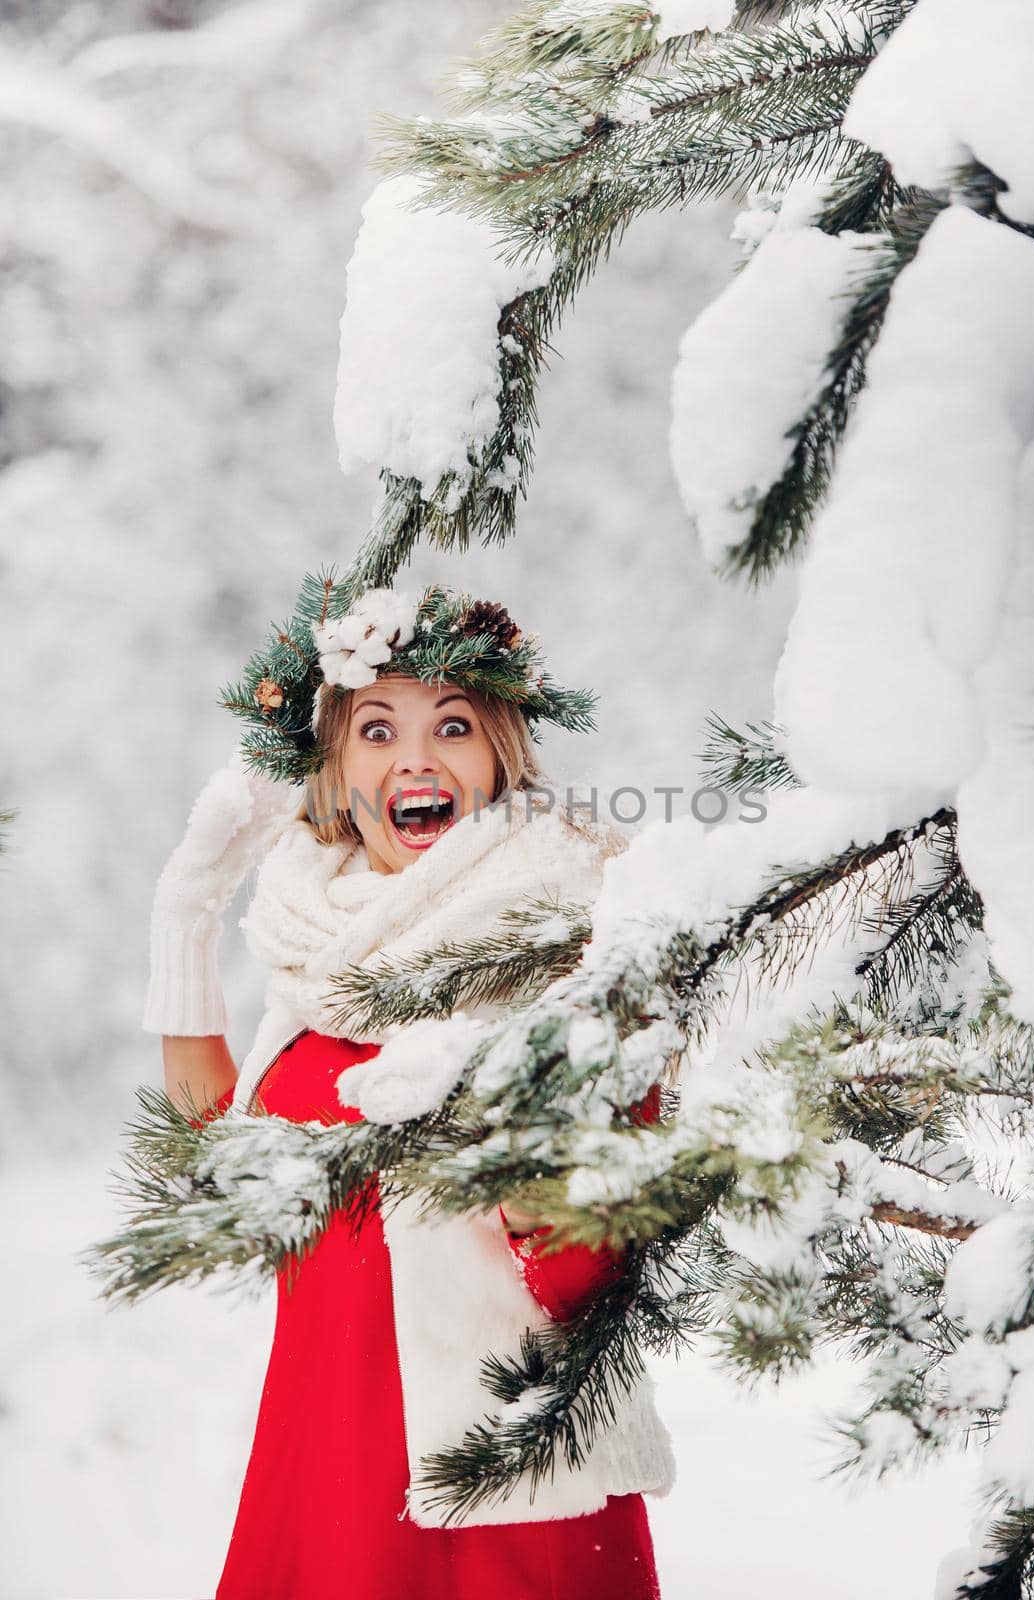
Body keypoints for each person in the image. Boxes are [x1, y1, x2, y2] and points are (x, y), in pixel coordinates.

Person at [141, 583, 675, 1600]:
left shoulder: (573, 939)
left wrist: (512, 1153)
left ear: (501, 754)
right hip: (322, 1460)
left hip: (500, 1494)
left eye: (455, 725)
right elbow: (224, 1178)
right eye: (377, 728)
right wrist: (186, 913)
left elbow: (598, 1262)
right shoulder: (326, 942)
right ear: (339, 768)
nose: (416, 758)